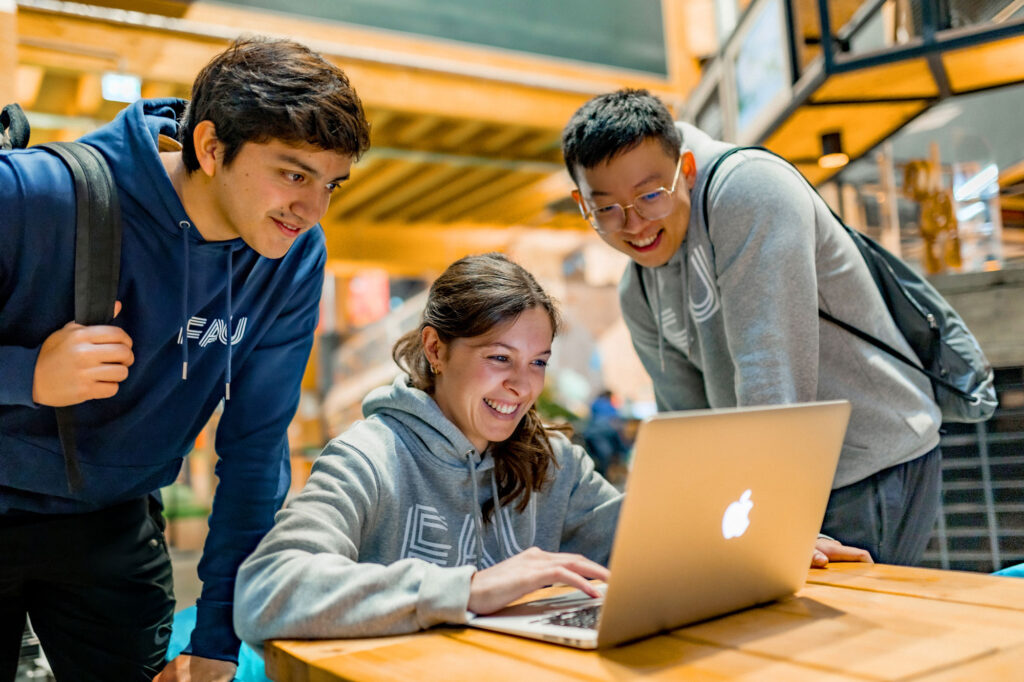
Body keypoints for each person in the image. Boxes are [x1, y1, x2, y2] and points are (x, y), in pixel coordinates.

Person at [232, 253, 868, 647]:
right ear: (435, 350)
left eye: (537, 362)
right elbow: (265, 592)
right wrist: (466, 588)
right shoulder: (369, 457)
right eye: (498, 359)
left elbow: (639, 539)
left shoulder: (552, 460)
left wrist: (763, 542)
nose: (522, 386)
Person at [0, 37, 370, 681]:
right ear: (209, 146)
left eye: (329, 184)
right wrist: (26, 374)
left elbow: (255, 450)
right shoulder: (33, 197)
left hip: (114, 520)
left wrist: (221, 634)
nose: (312, 210)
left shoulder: (293, 257)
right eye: (293, 173)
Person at [560, 89, 942, 566]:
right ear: (582, 204)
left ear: (688, 169)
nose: (633, 223)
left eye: (650, 195)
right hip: (779, 477)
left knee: (849, 636)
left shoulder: (748, 190)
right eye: (607, 209)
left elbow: (770, 372)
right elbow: (689, 424)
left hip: (867, 461)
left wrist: (773, 522)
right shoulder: (636, 291)